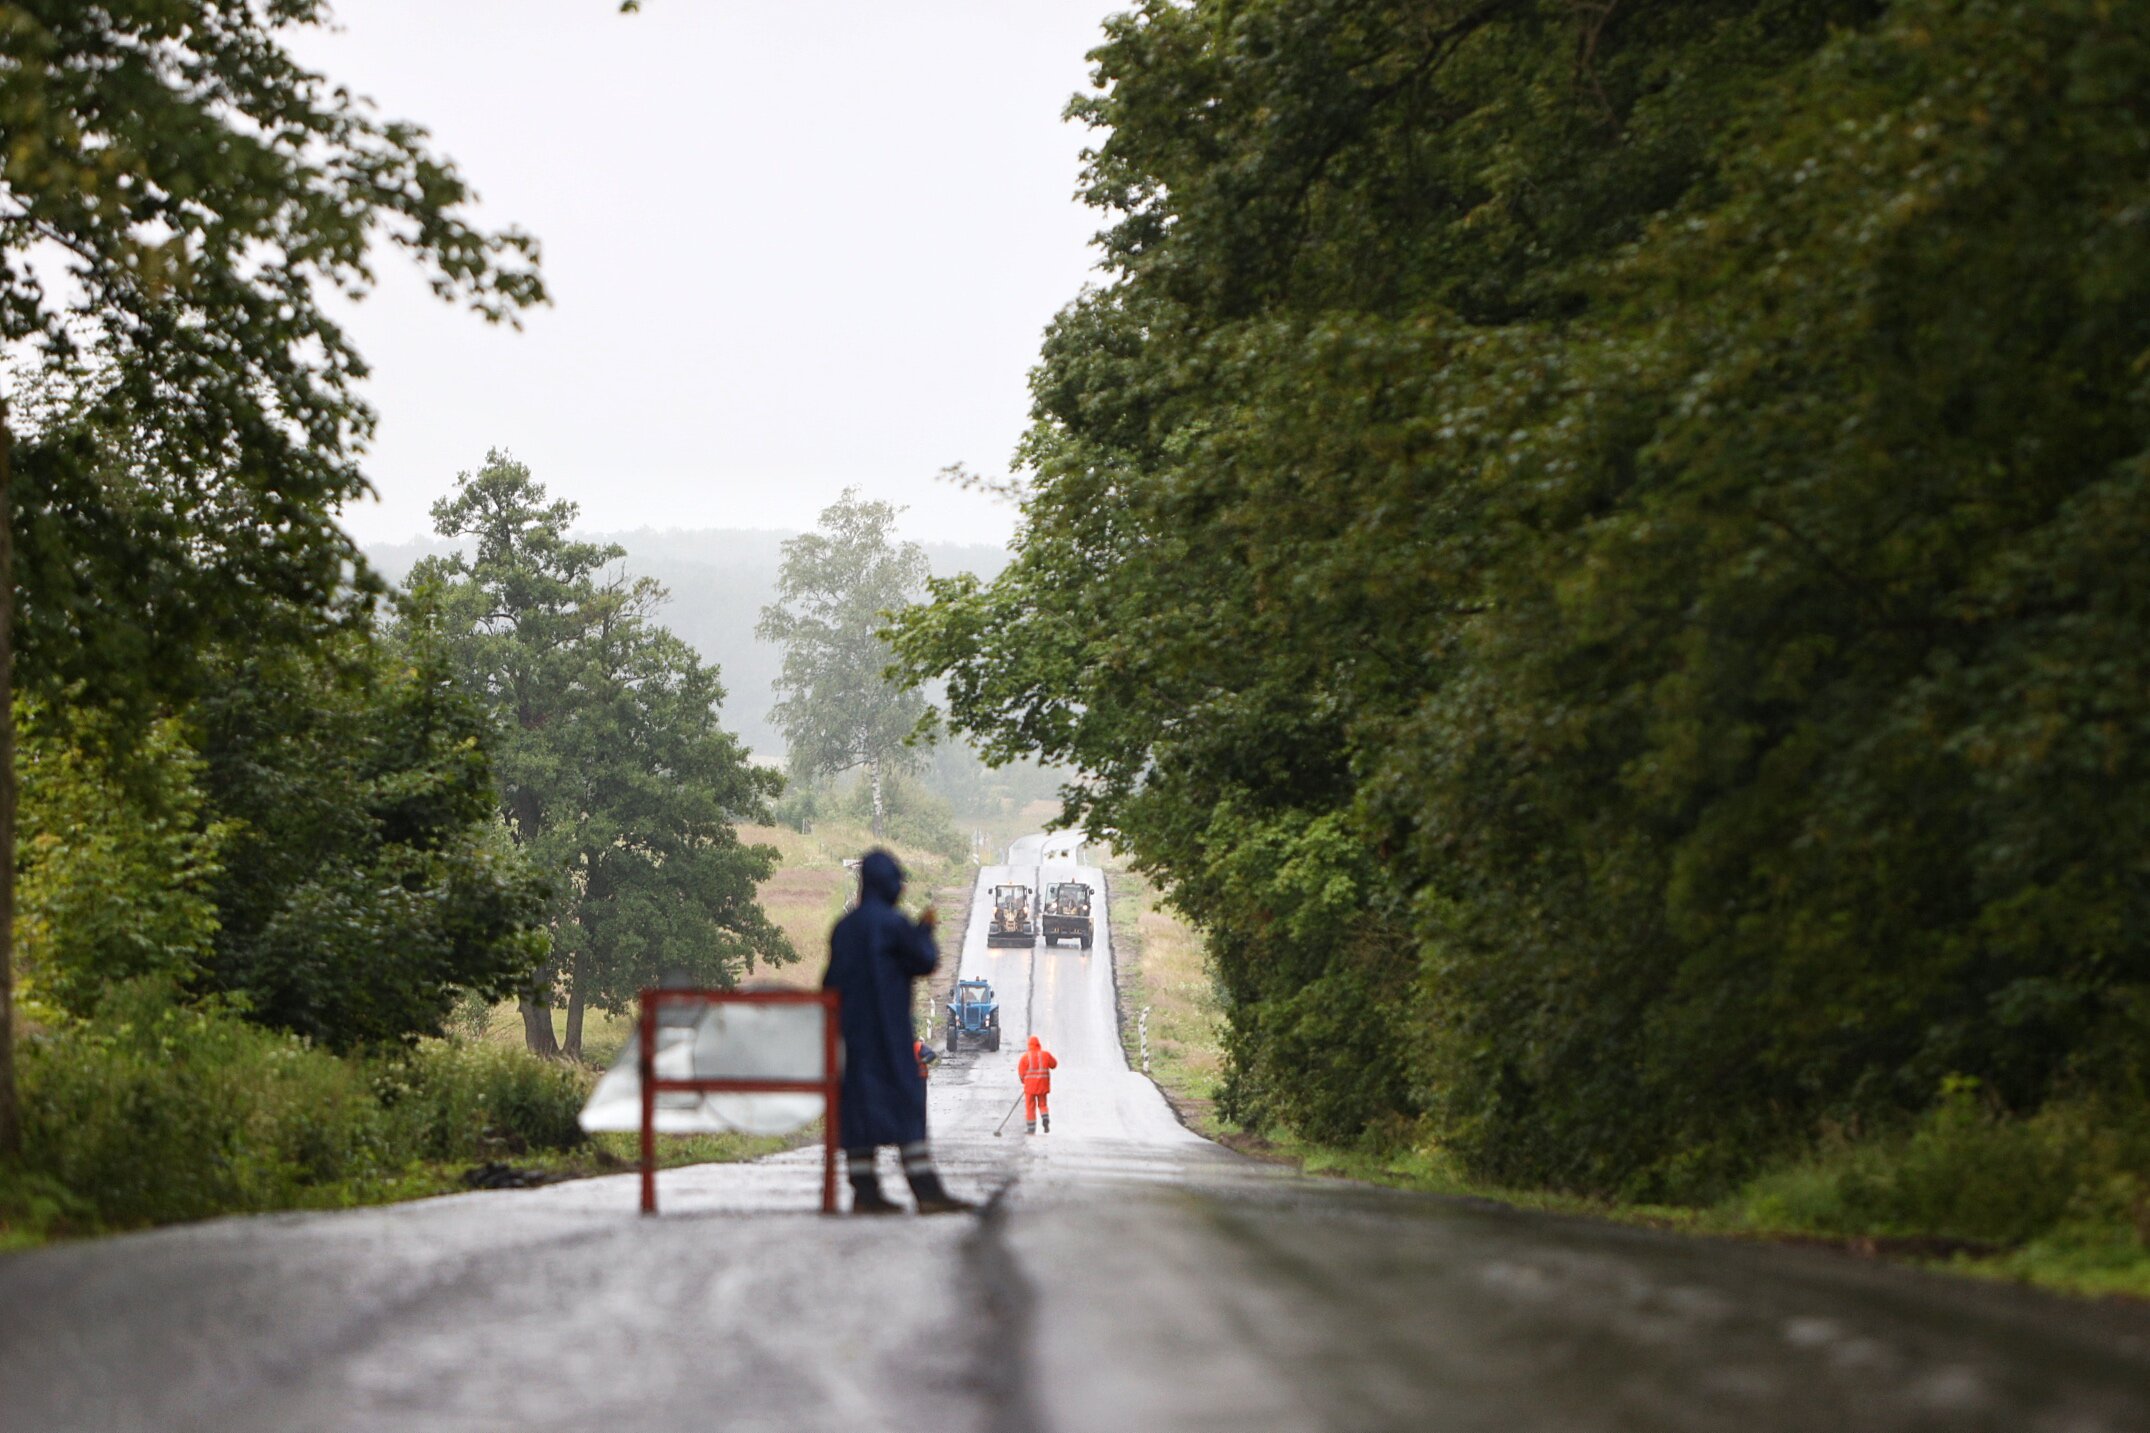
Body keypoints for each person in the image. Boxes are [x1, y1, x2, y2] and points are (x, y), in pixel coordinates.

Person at [822, 850, 974, 1215]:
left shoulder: (845, 928)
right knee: (906, 1103)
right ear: (890, 883)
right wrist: (923, 931)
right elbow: (924, 961)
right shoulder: (894, 924)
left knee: (857, 1107)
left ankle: (865, 1192)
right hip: (890, 1034)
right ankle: (926, 1192)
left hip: (853, 1035)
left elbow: (829, 982)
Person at [1018, 1034, 1058, 1135]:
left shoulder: (1025, 1057)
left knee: (1030, 1107)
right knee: (1043, 1104)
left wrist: (1024, 1082)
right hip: (1042, 1085)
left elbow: (1021, 1073)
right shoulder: (1045, 1055)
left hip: (1030, 1087)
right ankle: (1045, 1118)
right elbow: (1054, 1065)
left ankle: (1031, 1129)